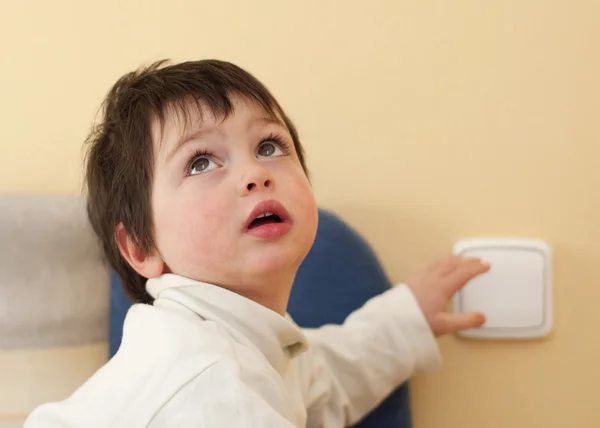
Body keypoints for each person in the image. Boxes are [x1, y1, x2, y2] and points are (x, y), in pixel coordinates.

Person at [25, 59, 489, 428]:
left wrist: (407, 318)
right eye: (201, 162)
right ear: (141, 247)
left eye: (268, 146)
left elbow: (320, 384)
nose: (255, 174)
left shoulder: (249, 349)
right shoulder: (207, 384)